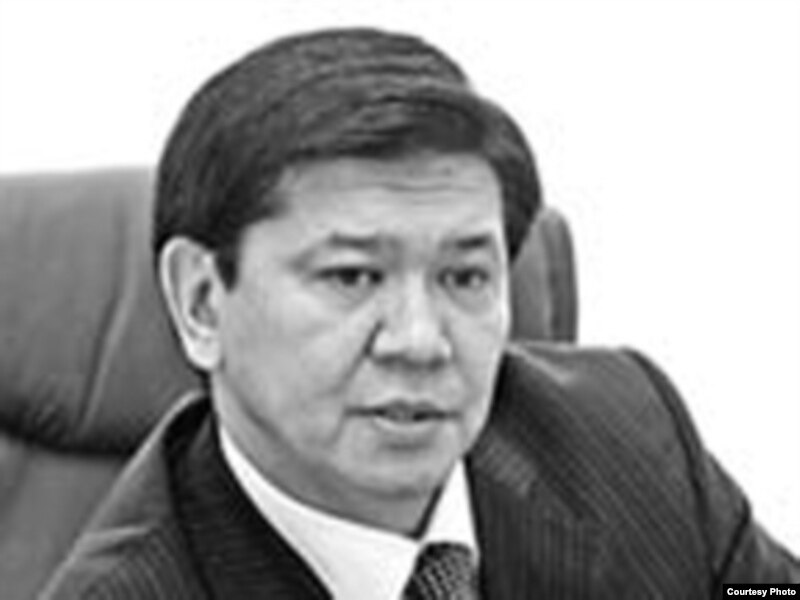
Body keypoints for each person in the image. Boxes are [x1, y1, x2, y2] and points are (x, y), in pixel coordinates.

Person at [41, 27, 799, 599]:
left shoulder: (625, 428)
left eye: (464, 277)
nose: (420, 341)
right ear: (202, 303)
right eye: (352, 276)